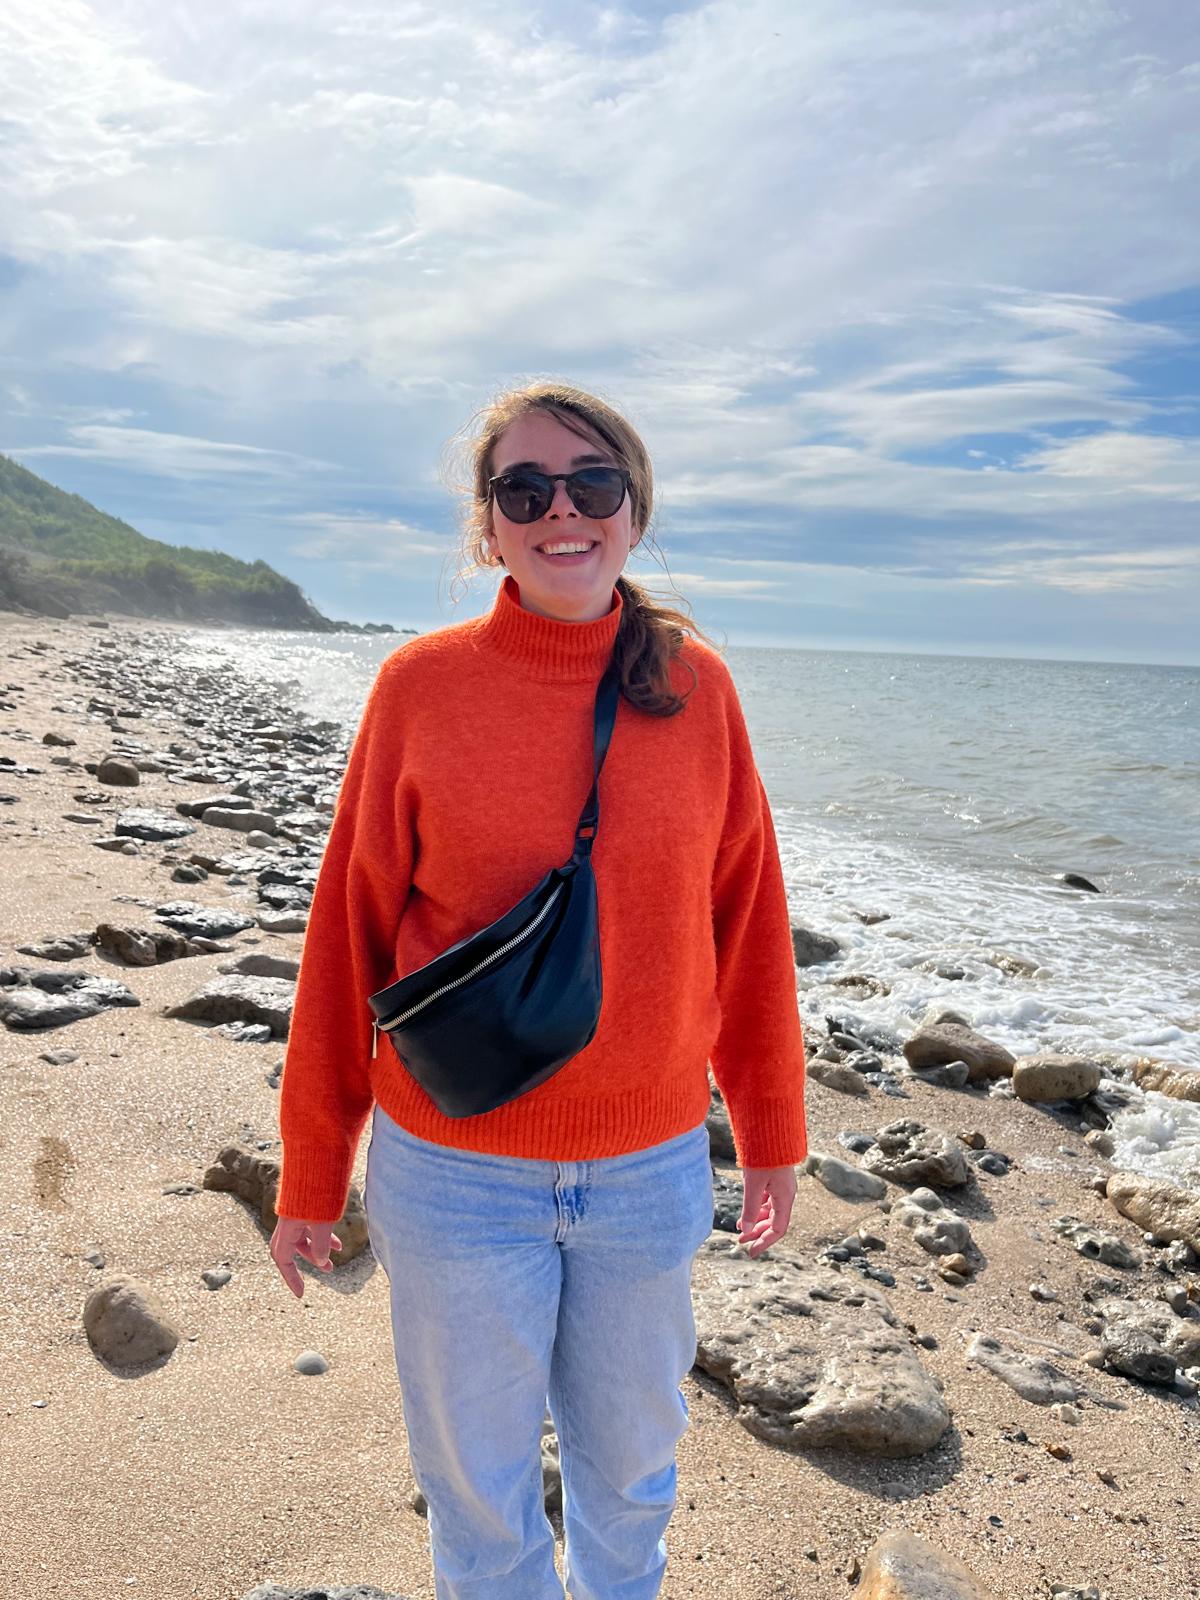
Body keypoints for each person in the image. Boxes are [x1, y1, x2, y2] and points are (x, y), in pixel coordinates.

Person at [269, 381, 808, 1600]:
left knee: (631, 1479)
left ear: (634, 506)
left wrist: (772, 1132)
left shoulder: (700, 690)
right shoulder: (420, 687)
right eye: (525, 489)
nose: (561, 510)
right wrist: (312, 1169)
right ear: (489, 525)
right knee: (478, 1491)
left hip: (647, 1166)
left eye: (592, 484)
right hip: (452, 1169)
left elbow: (749, 921)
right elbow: (345, 939)